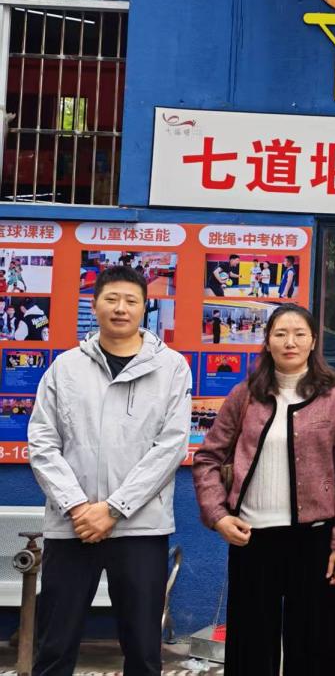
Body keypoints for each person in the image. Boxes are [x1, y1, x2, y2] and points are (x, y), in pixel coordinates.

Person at [27, 265, 192, 676]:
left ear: (144, 307)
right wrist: (78, 506)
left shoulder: (171, 368)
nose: (121, 308)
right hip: (73, 526)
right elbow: (42, 442)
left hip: (140, 528)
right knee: (54, 646)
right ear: (95, 304)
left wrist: (114, 508)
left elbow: (171, 447)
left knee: (143, 651)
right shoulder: (65, 368)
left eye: (131, 300)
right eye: (111, 299)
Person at [193, 303, 335, 676]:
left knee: (313, 647)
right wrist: (218, 516)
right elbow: (207, 458)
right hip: (252, 537)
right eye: (281, 334)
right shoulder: (245, 395)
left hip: (314, 541)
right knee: (251, 647)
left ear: (313, 341)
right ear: (268, 341)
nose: (290, 342)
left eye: (299, 334)